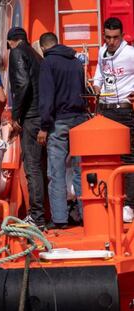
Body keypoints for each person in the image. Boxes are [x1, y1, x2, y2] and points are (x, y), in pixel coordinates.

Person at [37, 32, 88, 229]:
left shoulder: (48, 64)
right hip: (80, 119)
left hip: (59, 121)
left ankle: (60, 219)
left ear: (43, 48)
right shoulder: (76, 62)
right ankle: (86, 214)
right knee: (80, 170)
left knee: (56, 172)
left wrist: (44, 126)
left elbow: (47, 97)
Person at [93, 17, 134, 222]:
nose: (111, 42)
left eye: (115, 38)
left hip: (125, 111)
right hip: (106, 110)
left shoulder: (130, 54)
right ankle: (110, 199)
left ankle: (129, 205)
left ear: (122, 35)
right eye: (108, 37)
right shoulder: (102, 52)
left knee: (128, 158)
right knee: (107, 156)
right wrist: (97, 87)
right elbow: (99, 74)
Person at [7, 27, 45, 228]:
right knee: (41, 166)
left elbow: (22, 84)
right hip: (42, 115)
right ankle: (44, 214)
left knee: (32, 166)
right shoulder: (36, 55)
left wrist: (16, 116)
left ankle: (37, 216)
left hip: (30, 115)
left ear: (12, 41)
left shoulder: (17, 52)